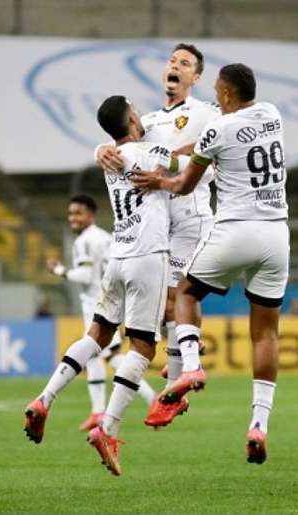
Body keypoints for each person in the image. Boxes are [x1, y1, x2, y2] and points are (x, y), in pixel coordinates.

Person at [134, 63, 289, 465]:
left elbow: (185, 183)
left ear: (227, 94)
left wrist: (160, 182)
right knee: (266, 333)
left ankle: (191, 366)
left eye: (220, 91)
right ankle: (259, 424)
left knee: (186, 290)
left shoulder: (216, 129)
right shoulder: (272, 115)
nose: (217, 97)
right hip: (277, 235)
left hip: (236, 229)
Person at [24, 95, 176, 477]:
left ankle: (45, 399)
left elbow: (111, 146)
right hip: (148, 255)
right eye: (135, 110)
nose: (141, 114)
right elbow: (190, 161)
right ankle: (107, 428)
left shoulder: (110, 158)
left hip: (119, 257)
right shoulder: (149, 151)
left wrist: (100, 147)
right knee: (141, 345)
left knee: (97, 334)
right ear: (129, 118)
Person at [96, 43, 219, 427]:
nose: (175, 66)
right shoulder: (147, 121)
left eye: (184, 63)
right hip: (162, 228)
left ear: (195, 77)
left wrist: (167, 178)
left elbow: (212, 163)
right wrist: (99, 149)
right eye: (172, 60)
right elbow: (124, 143)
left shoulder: (206, 114)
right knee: (168, 304)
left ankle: (183, 376)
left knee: (175, 297)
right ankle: (179, 380)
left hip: (192, 217)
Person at [46, 194, 155, 432]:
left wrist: (60, 270)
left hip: (96, 303)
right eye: (70, 213)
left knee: (108, 355)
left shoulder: (84, 241)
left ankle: (151, 399)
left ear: (91, 215)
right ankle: (97, 411)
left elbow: (85, 276)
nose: (73, 218)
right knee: (98, 356)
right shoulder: (107, 237)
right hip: (112, 297)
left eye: (78, 213)